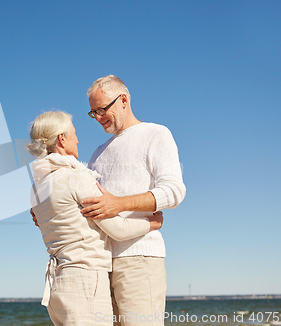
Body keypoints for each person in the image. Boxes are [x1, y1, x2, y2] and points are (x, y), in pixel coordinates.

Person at [27, 111, 164, 326]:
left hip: (58, 285)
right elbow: (117, 228)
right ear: (62, 138)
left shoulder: (37, 187)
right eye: (74, 133)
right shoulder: (76, 177)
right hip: (85, 283)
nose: (78, 139)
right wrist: (152, 223)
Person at [80, 75, 186, 326]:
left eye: (102, 109)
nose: (97, 117)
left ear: (124, 100)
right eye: (93, 112)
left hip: (140, 259)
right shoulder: (98, 152)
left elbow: (174, 191)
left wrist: (120, 204)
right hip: (102, 263)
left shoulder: (155, 133)